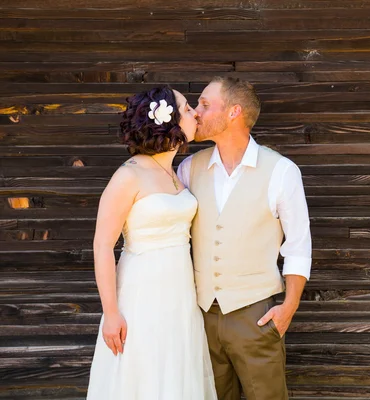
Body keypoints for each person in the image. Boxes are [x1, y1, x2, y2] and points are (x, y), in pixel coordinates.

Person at [176, 76, 312, 400]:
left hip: (256, 316)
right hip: (202, 317)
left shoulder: (281, 171)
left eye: (205, 105)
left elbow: (298, 246)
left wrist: (288, 308)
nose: (196, 112)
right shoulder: (187, 168)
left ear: (234, 112)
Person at [87, 85, 217, 399]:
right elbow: (103, 246)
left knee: (175, 369)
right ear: (168, 119)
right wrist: (112, 313)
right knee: (142, 371)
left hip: (179, 293)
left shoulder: (175, 173)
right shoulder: (128, 176)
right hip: (141, 293)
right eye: (187, 108)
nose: (195, 113)